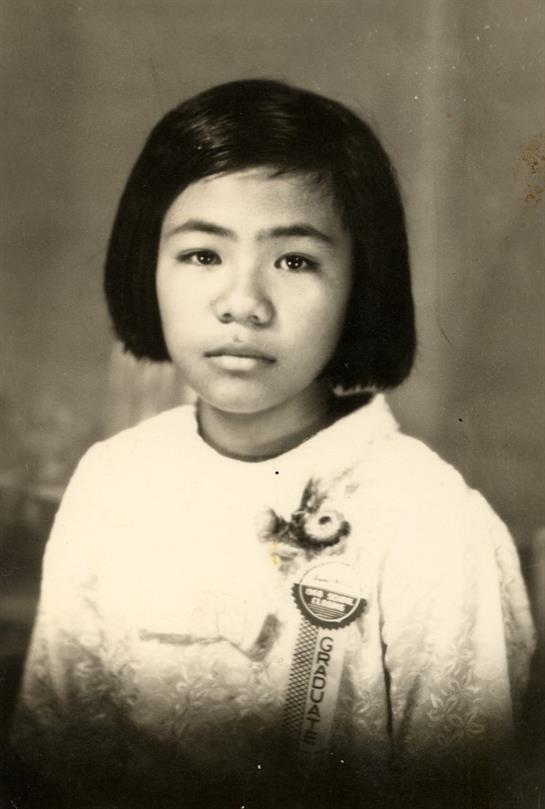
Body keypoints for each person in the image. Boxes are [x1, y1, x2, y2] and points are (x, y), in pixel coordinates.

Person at [11, 79, 535, 809]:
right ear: (146, 264)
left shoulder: (429, 520)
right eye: (201, 255)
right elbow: (54, 766)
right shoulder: (114, 481)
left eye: (294, 261)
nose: (242, 303)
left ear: (361, 285)